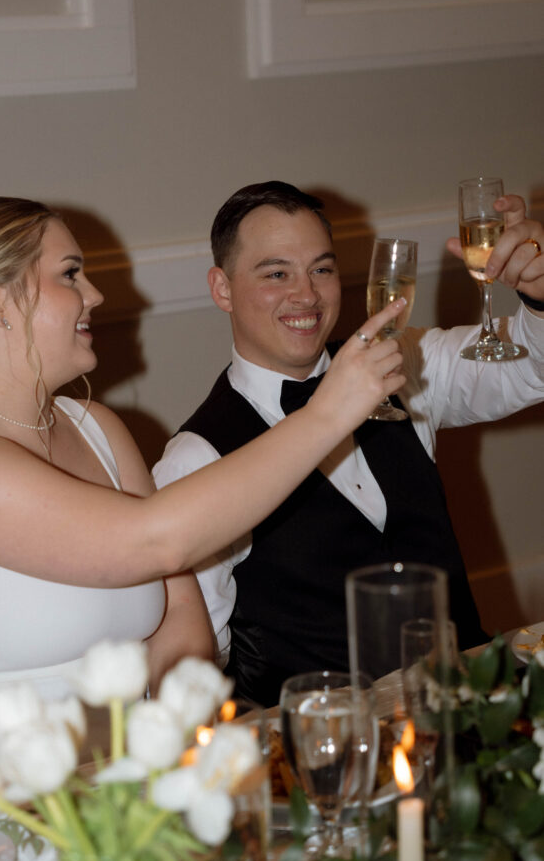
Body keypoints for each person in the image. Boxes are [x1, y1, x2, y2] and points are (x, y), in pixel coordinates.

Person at [0, 195, 406, 830]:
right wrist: (328, 415)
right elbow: (154, 543)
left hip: (109, 806)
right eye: (69, 274)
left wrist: (174, 776)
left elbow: (182, 624)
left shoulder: (97, 428)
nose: (93, 295)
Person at [153, 181, 544, 706]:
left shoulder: (396, 361)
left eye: (322, 268)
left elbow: (530, 369)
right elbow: (191, 669)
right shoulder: (196, 458)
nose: (306, 295)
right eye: (276, 274)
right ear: (221, 288)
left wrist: (538, 295)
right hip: (331, 764)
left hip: (469, 720)